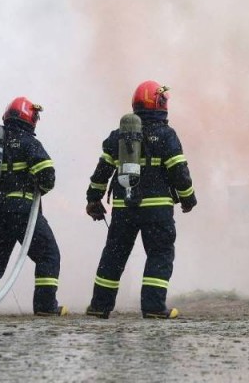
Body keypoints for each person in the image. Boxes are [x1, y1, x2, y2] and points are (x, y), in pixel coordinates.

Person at [84, 81, 197, 319]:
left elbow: (101, 172)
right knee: (159, 254)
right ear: (160, 103)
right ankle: (153, 307)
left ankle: (99, 306)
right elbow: (179, 170)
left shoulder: (118, 136)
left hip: (124, 208)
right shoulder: (166, 135)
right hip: (157, 210)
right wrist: (188, 198)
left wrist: (93, 199)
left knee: (114, 255)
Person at [0, 97, 66, 316]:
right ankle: (45, 307)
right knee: (48, 255)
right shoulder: (28, 142)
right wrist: (38, 186)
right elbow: (48, 176)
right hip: (21, 211)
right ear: (29, 117)